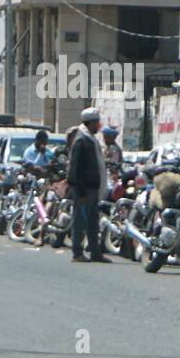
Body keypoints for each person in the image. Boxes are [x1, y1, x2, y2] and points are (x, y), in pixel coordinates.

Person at [67, 108, 109, 263]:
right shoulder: (81, 140)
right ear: (90, 123)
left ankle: (95, 252)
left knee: (93, 221)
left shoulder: (90, 138)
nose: (98, 125)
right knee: (80, 220)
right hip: (83, 188)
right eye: (97, 122)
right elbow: (75, 167)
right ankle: (77, 252)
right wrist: (80, 189)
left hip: (93, 187)